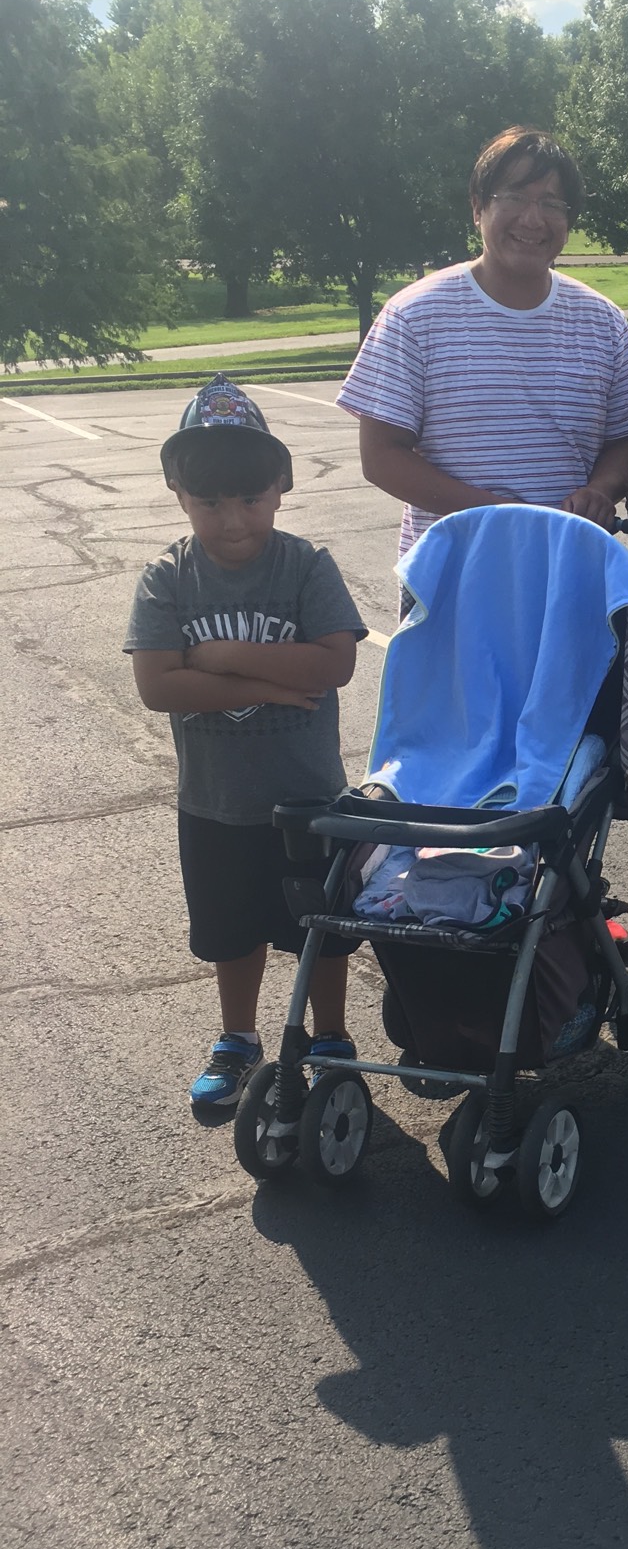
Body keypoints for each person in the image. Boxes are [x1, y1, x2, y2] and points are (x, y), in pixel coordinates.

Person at [125, 376, 368, 1107]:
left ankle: (330, 1035)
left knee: (318, 930)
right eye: (210, 503)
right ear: (177, 492)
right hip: (216, 803)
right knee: (231, 932)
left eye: (250, 499)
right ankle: (239, 1037)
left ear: (282, 485)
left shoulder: (304, 566)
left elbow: (335, 664)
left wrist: (220, 656)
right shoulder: (168, 576)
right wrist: (266, 681)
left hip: (308, 800)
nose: (232, 521)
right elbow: (159, 686)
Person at [337, 126, 628, 598]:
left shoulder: (601, 321)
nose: (533, 219)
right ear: (477, 207)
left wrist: (603, 489)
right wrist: (501, 517)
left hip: (571, 578)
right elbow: (381, 457)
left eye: (552, 203)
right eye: (515, 197)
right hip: (453, 582)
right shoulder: (414, 314)